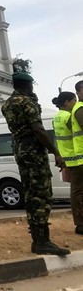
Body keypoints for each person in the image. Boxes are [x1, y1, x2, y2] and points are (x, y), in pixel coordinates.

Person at [1, 71, 70, 255]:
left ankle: (37, 239)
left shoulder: (7, 104)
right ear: (28, 85)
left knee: (31, 194)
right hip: (34, 152)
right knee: (42, 194)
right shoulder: (27, 102)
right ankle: (43, 241)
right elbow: (38, 129)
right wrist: (55, 152)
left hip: (20, 151)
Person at [66, 85, 83, 235]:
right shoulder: (80, 108)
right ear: (78, 92)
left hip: (78, 157)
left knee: (77, 191)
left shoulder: (76, 108)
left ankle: (80, 224)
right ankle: (80, 224)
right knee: (77, 192)